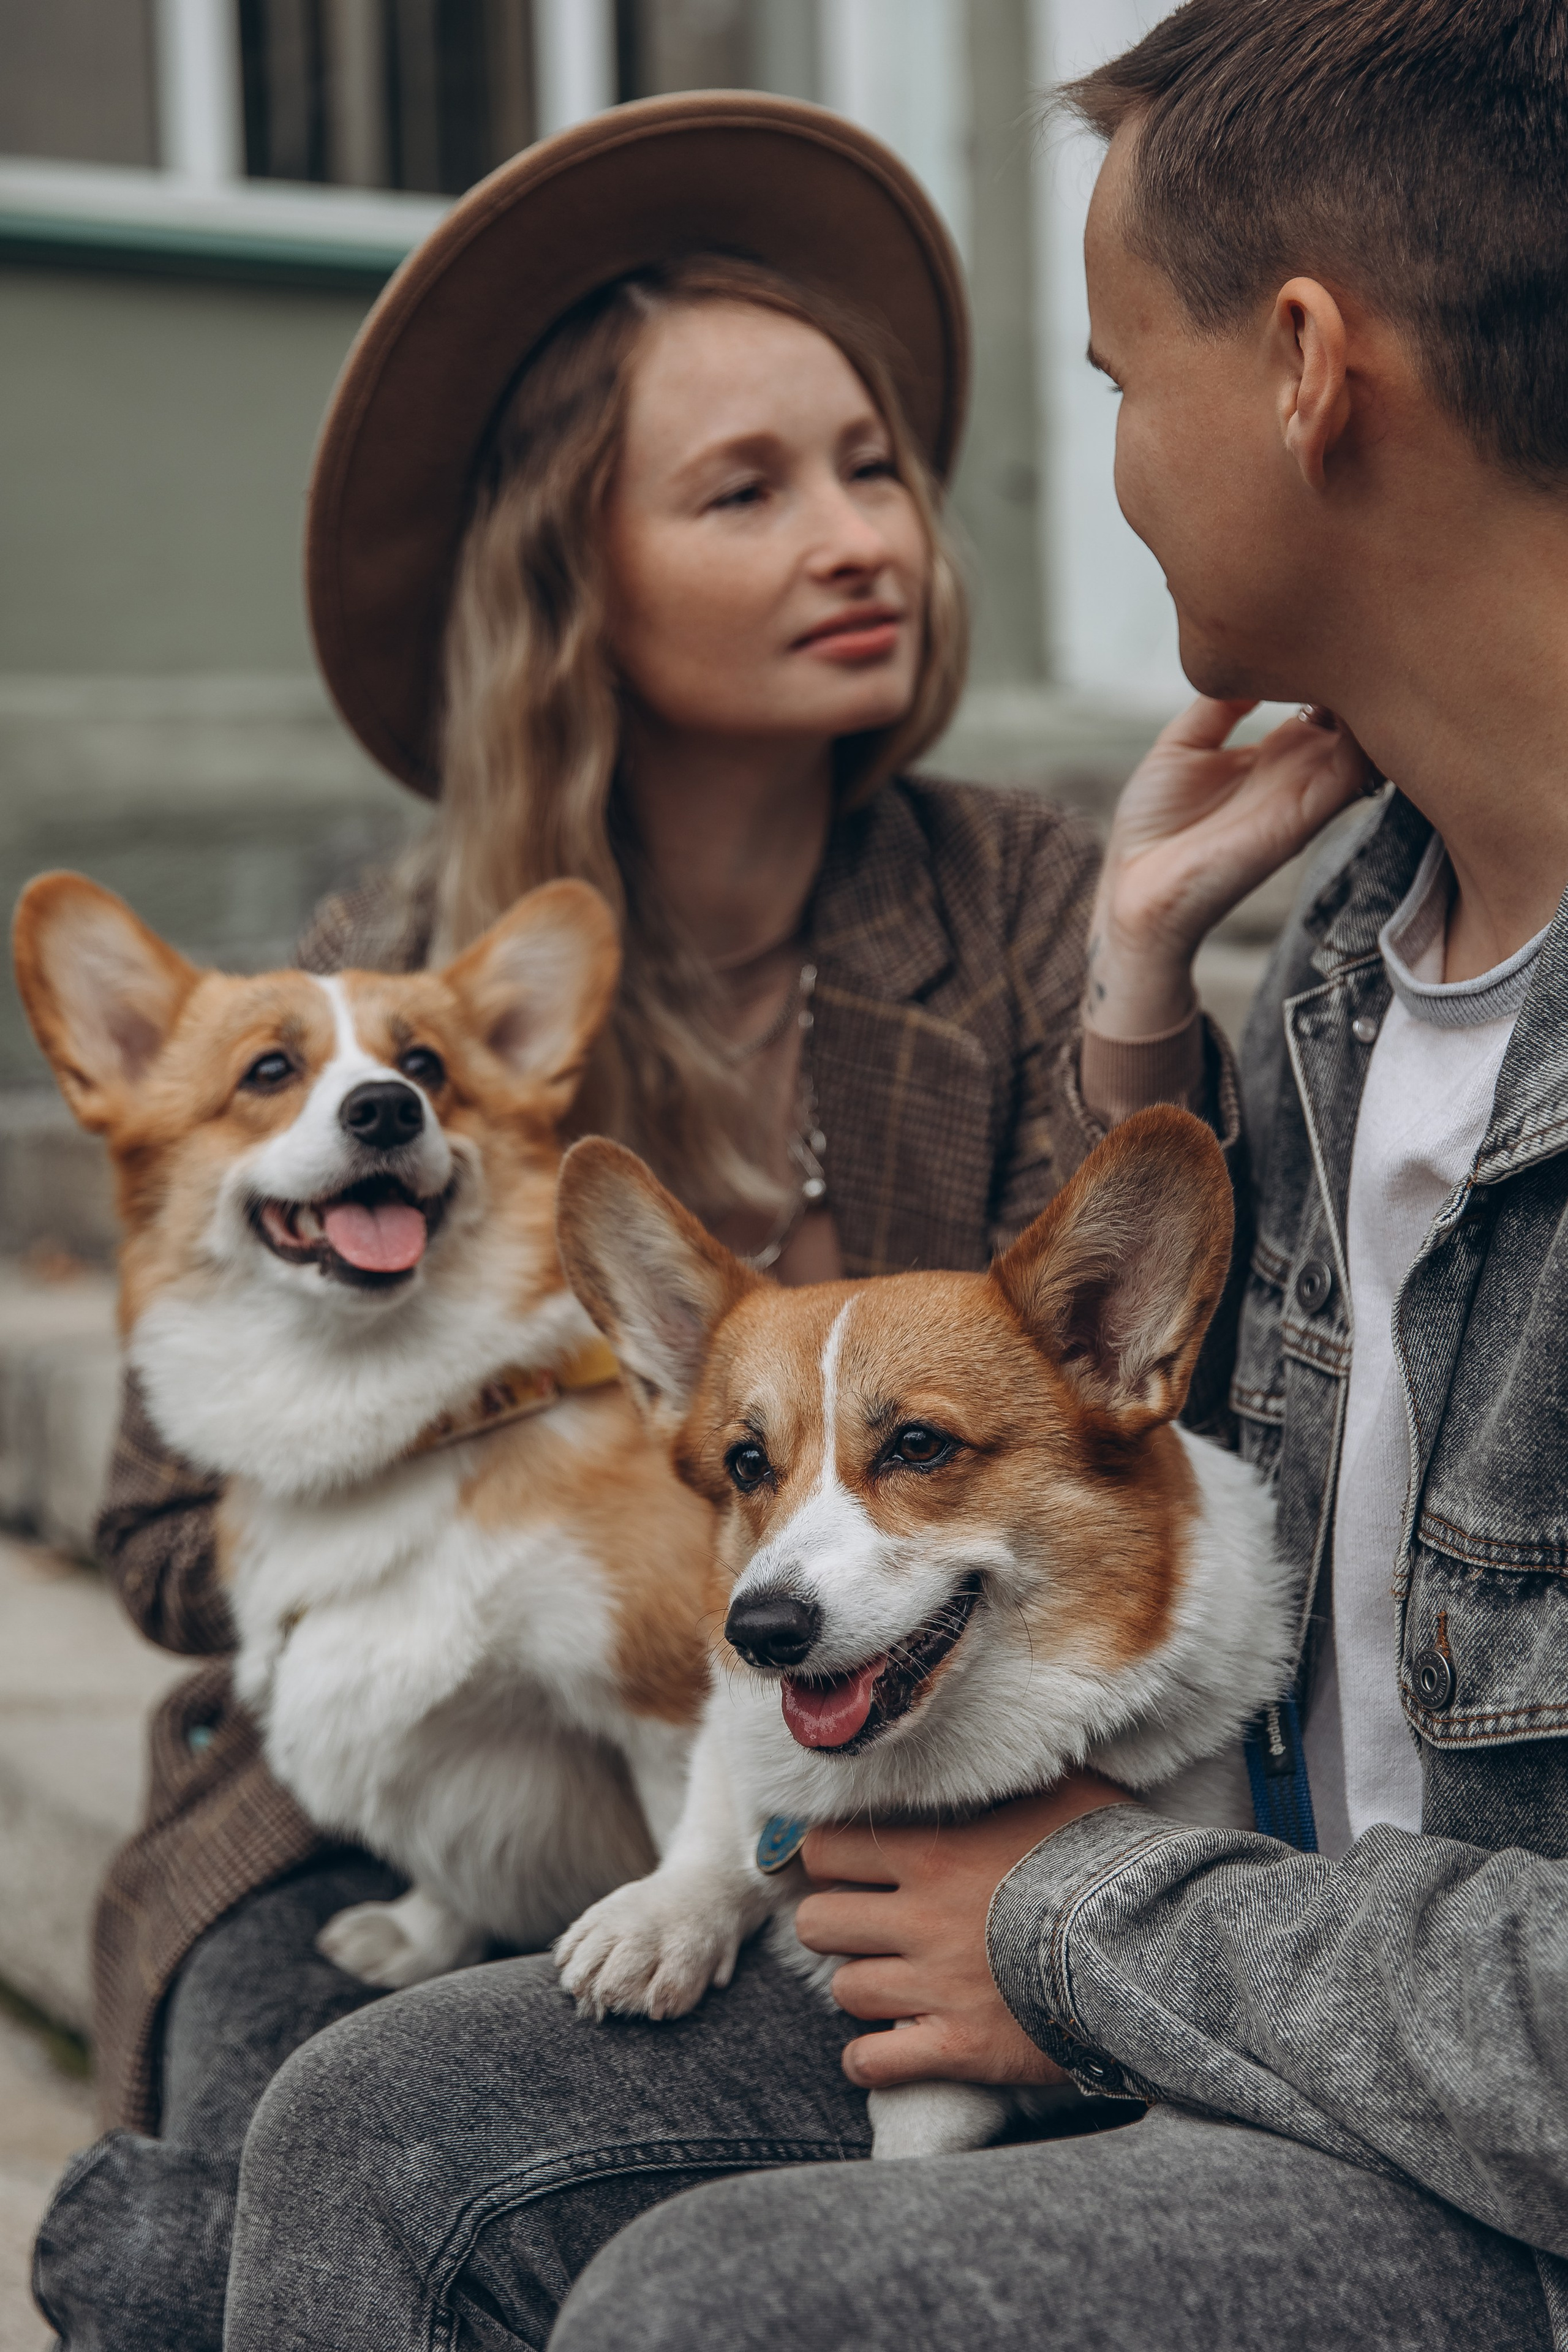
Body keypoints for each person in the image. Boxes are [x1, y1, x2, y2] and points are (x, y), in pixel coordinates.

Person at [196, 3, 1568, 2346]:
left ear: (1305, 369)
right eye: (748, 491)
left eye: (1115, 380)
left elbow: (1089, 1416)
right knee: (352, 2113)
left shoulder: (1034, 900)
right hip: (1076, 1885)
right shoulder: (1351, 959)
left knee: (716, 2296)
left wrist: (1098, 1921)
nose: (913, 524)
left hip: (1329, 2021)